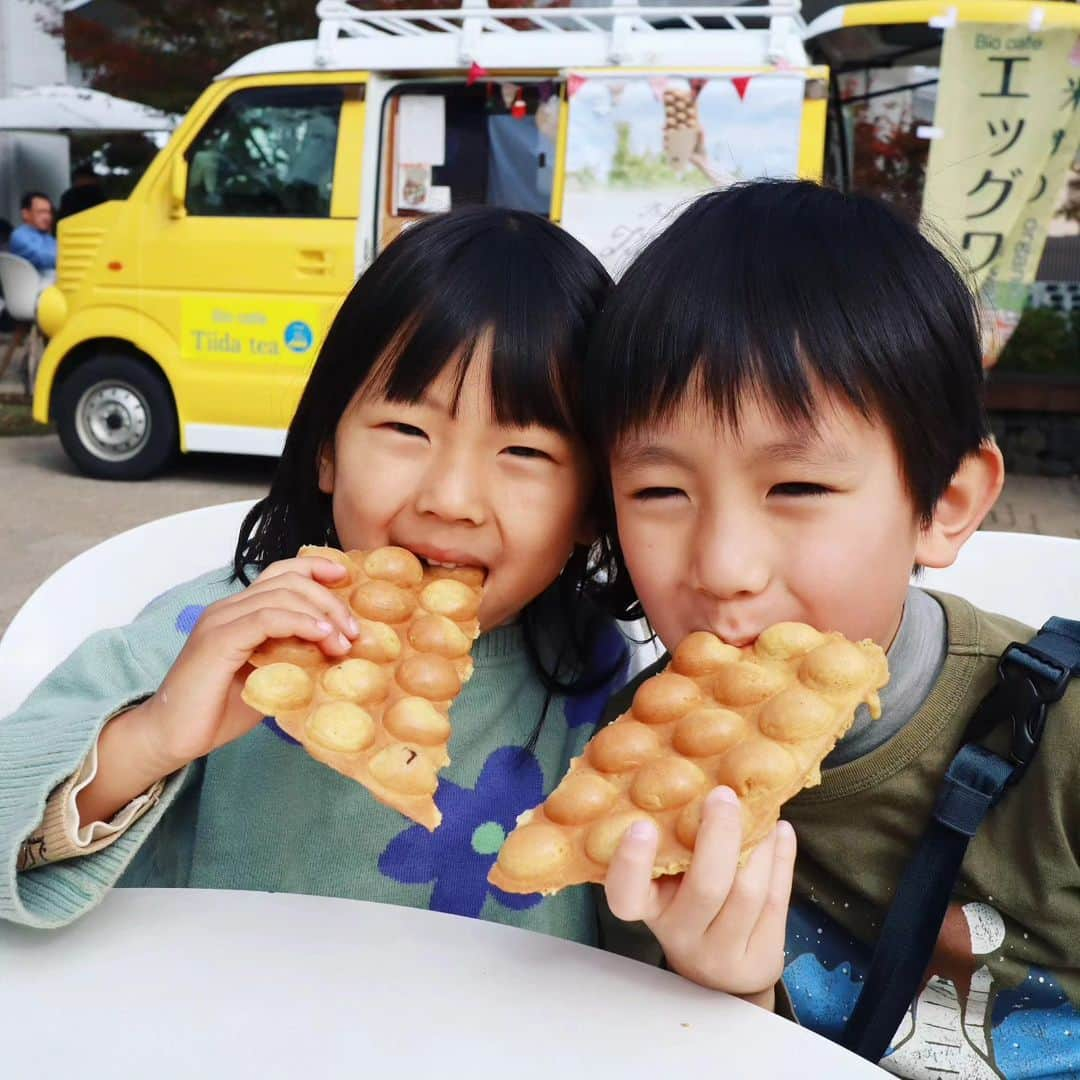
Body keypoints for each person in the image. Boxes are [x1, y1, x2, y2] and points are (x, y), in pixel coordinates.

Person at [0, 207, 630, 943]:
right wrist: (154, 735)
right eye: (406, 430)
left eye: (524, 453)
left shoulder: (607, 685)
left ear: (594, 499)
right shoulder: (209, 636)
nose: (451, 500)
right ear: (327, 451)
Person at [585, 180, 1080, 1075]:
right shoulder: (629, 778)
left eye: (798, 488)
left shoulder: (1065, 740)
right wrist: (723, 1005)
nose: (724, 565)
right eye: (659, 492)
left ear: (946, 502)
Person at [8, 192, 57, 273]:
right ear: (25, 214)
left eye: (49, 212)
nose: (47, 217)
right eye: (41, 212)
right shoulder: (19, 236)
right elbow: (41, 258)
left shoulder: (48, 238)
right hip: (32, 284)